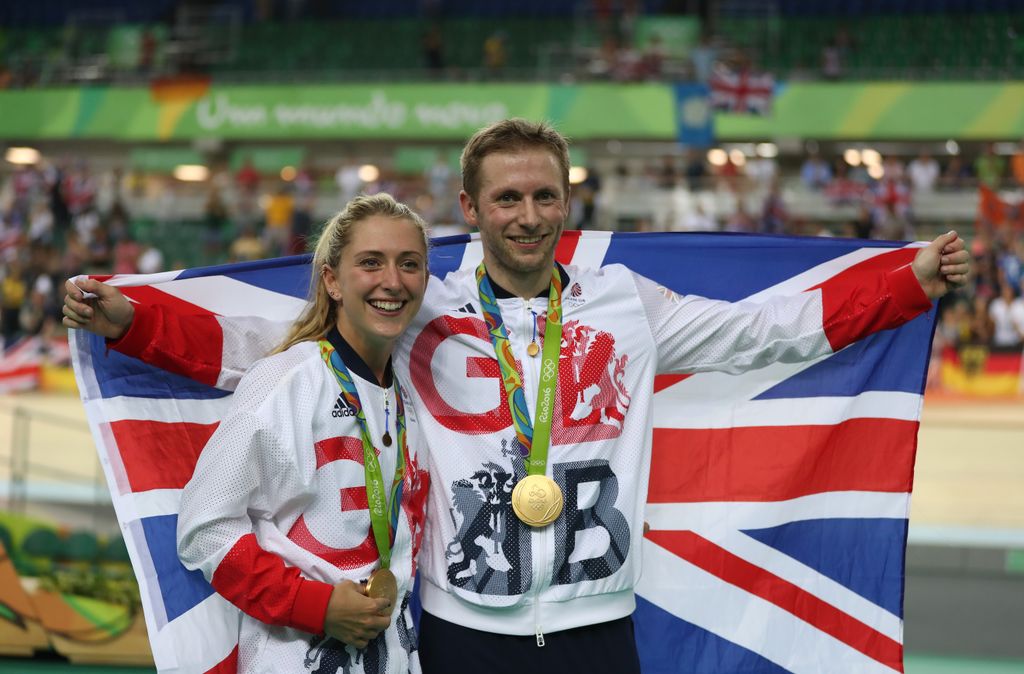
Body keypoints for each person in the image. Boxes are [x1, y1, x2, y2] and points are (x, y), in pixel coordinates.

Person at [65, 119, 970, 674]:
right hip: (462, 637)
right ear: (471, 206)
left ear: (567, 204)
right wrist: (132, 322)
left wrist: (908, 281)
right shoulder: (422, 304)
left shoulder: (627, 306)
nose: (528, 216)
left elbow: (764, 329)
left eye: (544, 196)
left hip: (597, 631)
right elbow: (273, 345)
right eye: (507, 199)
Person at [66, 194, 431, 673]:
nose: (393, 281)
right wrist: (314, 605)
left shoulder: (413, 386)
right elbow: (204, 528)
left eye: (410, 264)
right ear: (332, 281)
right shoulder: (284, 380)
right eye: (370, 263)